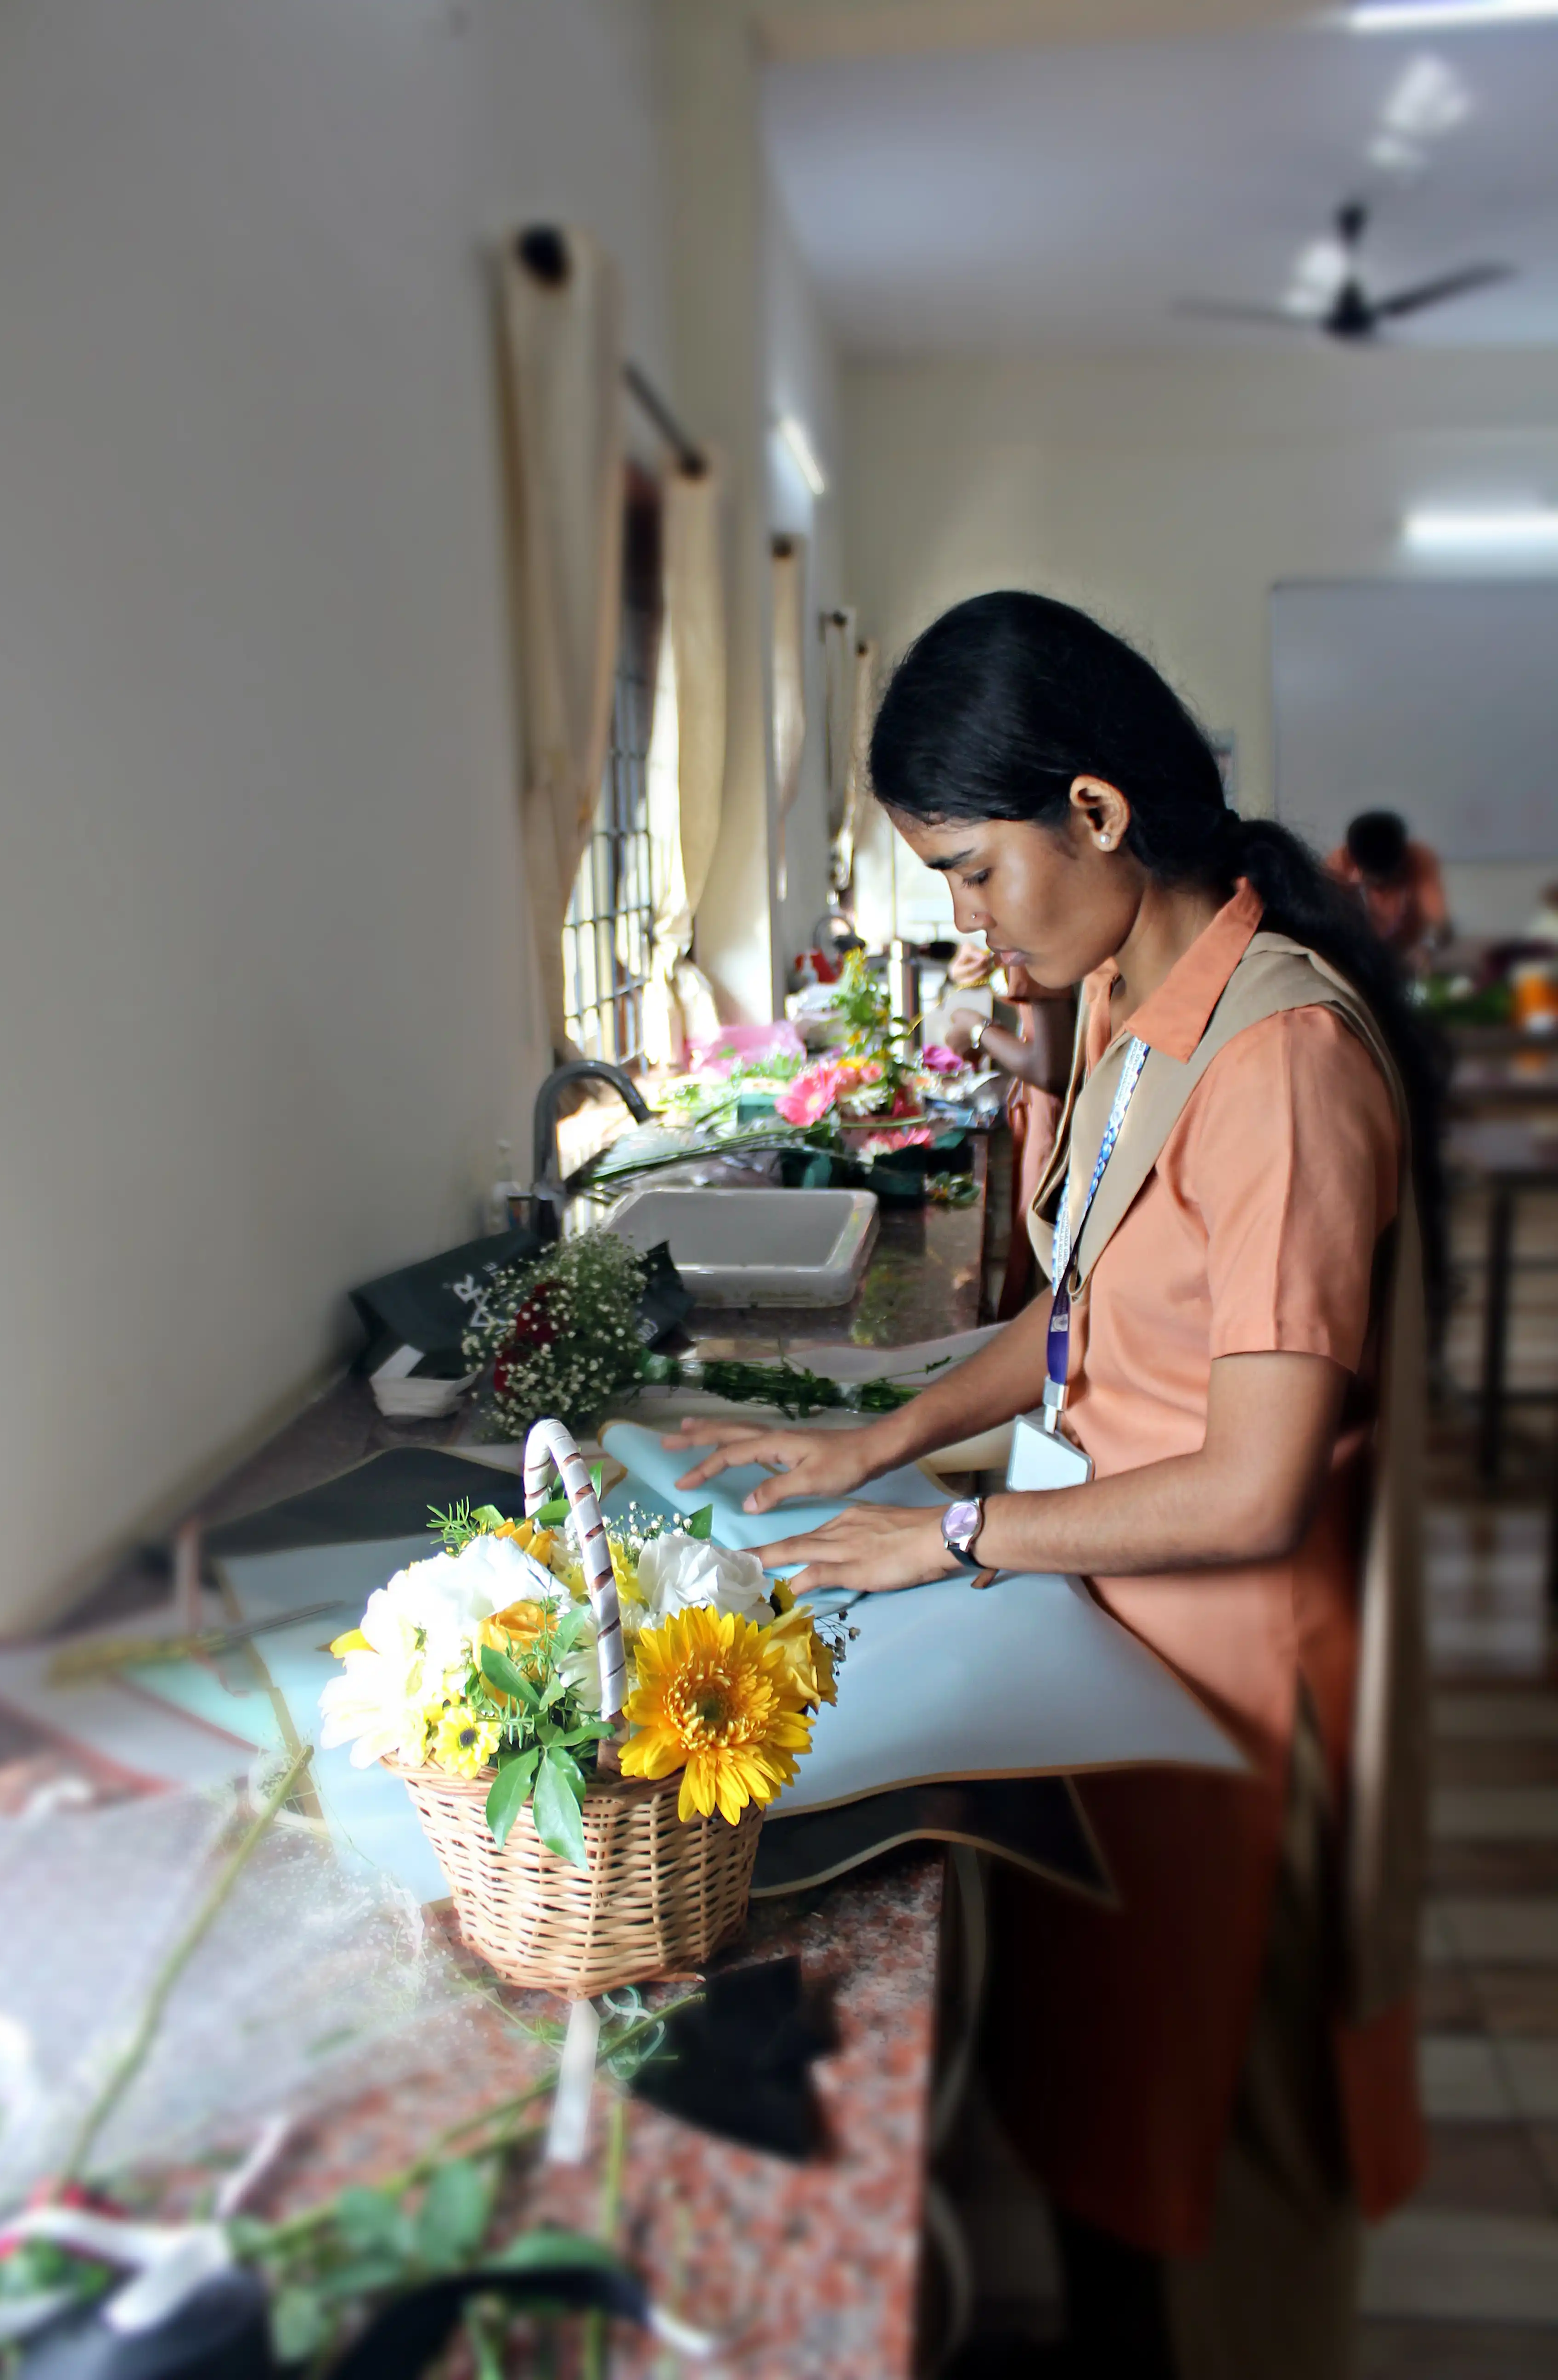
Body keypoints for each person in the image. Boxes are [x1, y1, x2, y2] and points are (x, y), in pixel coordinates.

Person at [669, 592, 1440, 2379]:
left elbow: (1248, 1489)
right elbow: (1092, 1315)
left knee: (1226, 2175)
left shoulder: (1282, 1065)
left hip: (1235, 1698)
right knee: (1110, 2135)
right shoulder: (1133, 1004)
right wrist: (876, 1440)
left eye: (969, 871)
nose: (963, 921)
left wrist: (951, 1531)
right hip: (1118, 1646)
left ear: (1095, 816)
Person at [944, 946, 1077, 1317]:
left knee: (1043, 1261)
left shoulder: (1035, 927)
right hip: (1041, 1109)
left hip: (1056, 1115)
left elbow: (1051, 1068)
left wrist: (975, 1028)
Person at [1327, 809, 1450, 969]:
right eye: (1374, 878)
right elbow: (1326, 922)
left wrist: (1427, 948)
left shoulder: (1419, 859)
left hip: (1407, 955)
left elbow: (1441, 924)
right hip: (1357, 953)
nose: (1380, 885)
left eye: (1386, 877)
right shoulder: (1339, 864)